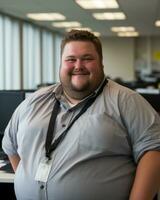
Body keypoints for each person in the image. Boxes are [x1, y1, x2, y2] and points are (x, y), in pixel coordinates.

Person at [2, 29, 160, 200]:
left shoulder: (127, 101)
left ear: (101, 63)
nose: (78, 66)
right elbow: (11, 146)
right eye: (71, 59)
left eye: (87, 59)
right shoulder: (33, 102)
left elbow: (153, 152)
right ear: (61, 64)